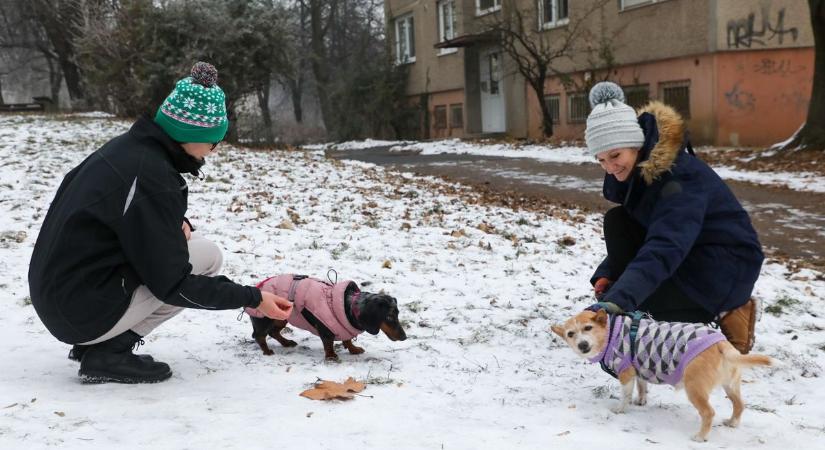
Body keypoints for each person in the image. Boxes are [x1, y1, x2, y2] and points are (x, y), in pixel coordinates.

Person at [28, 62, 293, 383]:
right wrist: (254, 298)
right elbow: (174, 285)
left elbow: (120, 209)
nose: (213, 150)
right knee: (205, 260)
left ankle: (101, 343)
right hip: (77, 310)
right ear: (192, 134)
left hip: (60, 292)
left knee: (197, 247)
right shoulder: (156, 178)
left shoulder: (128, 149)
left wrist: (174, 222)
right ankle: (108, 353)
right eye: (214, 141)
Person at [583, 81, 764, 354]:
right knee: (618, 221)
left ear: (636, 144)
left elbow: (665, 245)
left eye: (615, 155)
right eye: (601, 160)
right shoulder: (641, 175)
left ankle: (732, 307)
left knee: (642, 309)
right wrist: (608, 275)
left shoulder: (679, 178)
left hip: (723, 266)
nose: (609, 167)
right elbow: (649, 233)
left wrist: (619, 300)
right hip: (690, 256)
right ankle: (651, 302)